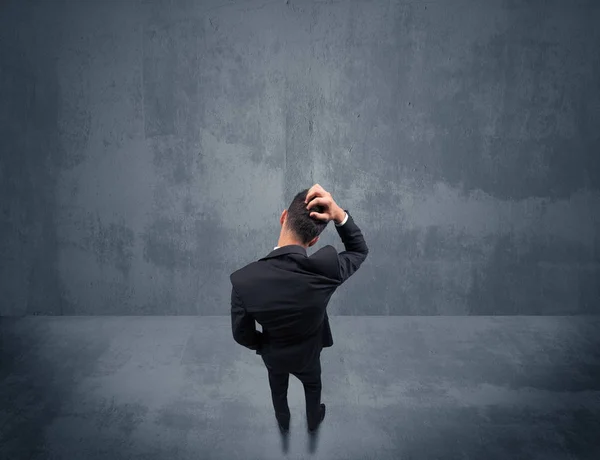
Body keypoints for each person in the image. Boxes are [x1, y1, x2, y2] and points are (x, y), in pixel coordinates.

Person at [229, 183, 369, 434]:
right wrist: (339, 214)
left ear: (284, 217)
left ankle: (283, 421)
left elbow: (242, 334)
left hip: (274, 354)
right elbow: (358, 250)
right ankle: (314, 421)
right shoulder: (326, 269)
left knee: (277, 388)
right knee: (313, 386)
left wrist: (264, 345)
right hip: (308, 353)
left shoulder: (244, 280)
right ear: (314, 240)